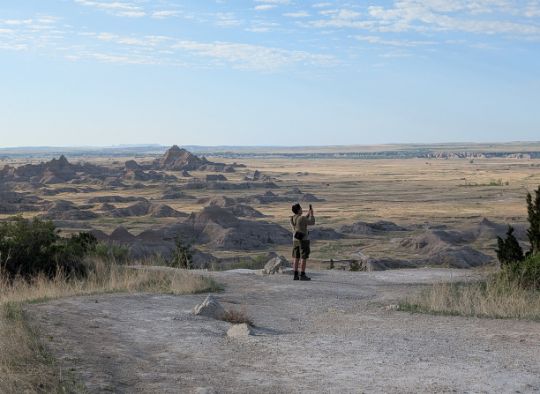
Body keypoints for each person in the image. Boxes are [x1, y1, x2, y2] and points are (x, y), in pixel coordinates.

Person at [290, 203, 315, 281]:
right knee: (303, 257)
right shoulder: (302, 218)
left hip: (295, 240)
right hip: (303, 240)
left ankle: (295, 275)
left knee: (296, 257)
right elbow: (312, 222)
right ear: (298, 210)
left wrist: (307, 214)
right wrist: (311, 215)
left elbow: (300, 222)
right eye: (300, 208)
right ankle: (302, 275)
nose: (302, 209)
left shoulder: (292, 218)